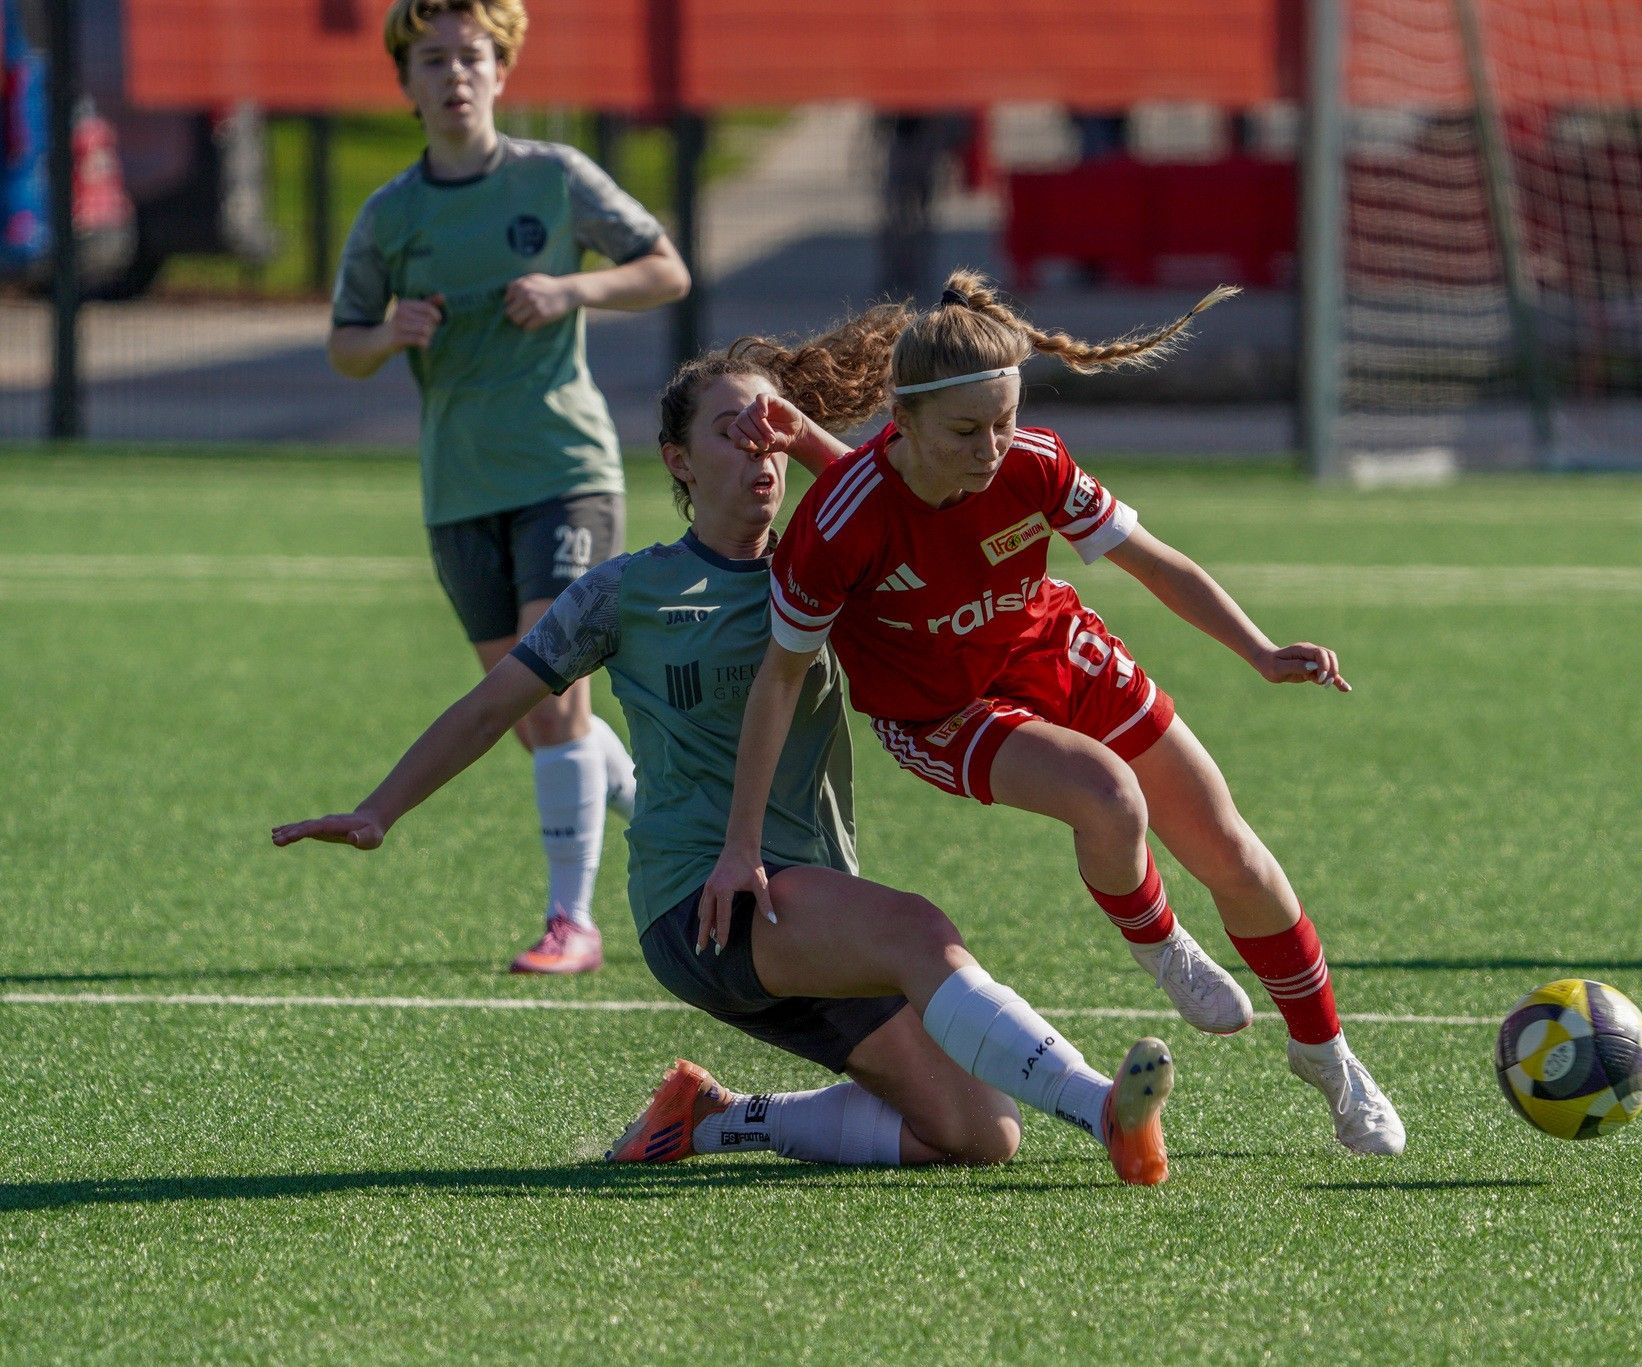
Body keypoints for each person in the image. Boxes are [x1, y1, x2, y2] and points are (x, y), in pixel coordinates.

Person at [274, 318, 1178, 1184]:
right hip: (701, 903)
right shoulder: (626, 592)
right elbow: (489, 707)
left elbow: (907, 513)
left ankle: (714, 1117)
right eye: (730, 432)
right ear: (678, 459)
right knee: (920, 932)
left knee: (979, 1133)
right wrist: (379, 809)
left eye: (769, 431)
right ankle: (1102, 1107)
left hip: (809, 906)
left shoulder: (830, 565)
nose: (760, 453)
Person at [703, 270, 1405, 1156]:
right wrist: (740, 845)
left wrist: (1259, 650)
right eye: (967, 430)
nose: (991, 448)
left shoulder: (1034, 461)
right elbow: (777, 681)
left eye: (1004, 420)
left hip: (1052, 648)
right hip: (939, 713)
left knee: (1232, 850)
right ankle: (1162, 946)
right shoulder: (837, 524)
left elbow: (1156, 561)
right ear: (901, 420)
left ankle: (1330, 1059)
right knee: (1106, 794)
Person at [326, 0, 690, 974]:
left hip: (565, 470)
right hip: (459, 488)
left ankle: (573, 922)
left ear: (501, 70)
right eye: (433, 59)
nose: (454, 74)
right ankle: (671, 817)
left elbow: (666, 269)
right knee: (533, 715)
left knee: (555, 700)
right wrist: (388, 333)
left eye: (472, 56)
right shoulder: (391, 214)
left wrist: (573, 289)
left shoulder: (553, 178)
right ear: (405, 82)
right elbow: (344, 343)